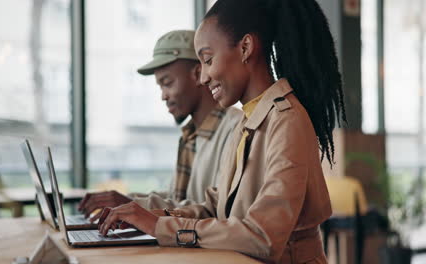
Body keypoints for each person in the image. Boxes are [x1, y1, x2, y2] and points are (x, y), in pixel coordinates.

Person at [97, 0, 346, 263]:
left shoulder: (287, 120)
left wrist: (161, 228)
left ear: (246, 48)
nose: (203, 77)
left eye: (207, 60)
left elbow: (263, 236)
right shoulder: (247, 120)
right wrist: (150, 218)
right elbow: (216, 208)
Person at [78, 30, 242, 220]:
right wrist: (126, 202)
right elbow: (178, 200)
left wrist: (134, 206)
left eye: (167, 83)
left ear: (198, 74)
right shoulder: (190, 134)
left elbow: (213, 209)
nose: (163, 95)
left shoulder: (235, 129)